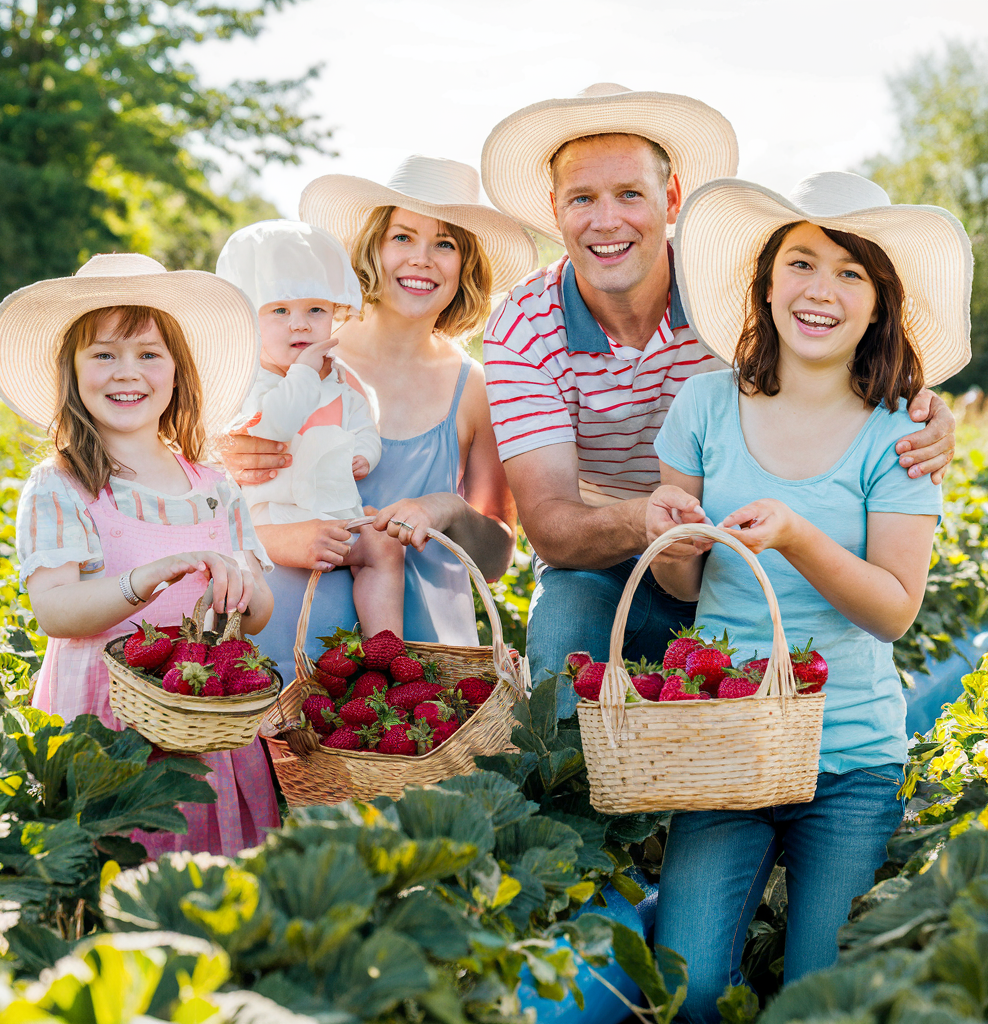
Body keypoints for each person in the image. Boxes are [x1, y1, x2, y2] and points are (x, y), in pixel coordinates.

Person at [479, 84, 959, 684]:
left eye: (630, 193)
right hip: (598, 557)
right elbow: (550, 526)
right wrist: (646, 521)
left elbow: (833, 359)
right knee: (566, 640)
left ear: (672, 197)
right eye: (582, 198)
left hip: (734, 549)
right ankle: (571, 775)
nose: (607, 221)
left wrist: (920, 403)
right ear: (555, 210)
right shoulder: (522, 328)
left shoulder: (731, 306)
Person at [646, 170, 972, 1019]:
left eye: (851, 272)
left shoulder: (899, 431)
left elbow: (895, 609)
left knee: (824, 1000)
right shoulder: (705, 405)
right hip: (727, 752)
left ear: (878, 305)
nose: (820, 290)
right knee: (687, 992)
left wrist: (798, 535)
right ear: (765, 285)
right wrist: (672, 534)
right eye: (800, 263)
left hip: (853, 758)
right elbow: (684, 583)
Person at [0, 253, 281, 859]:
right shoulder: (61, 484)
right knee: (112, 870)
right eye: (104, 354)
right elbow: (56, 611)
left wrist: (241, 590)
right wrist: (142, 580)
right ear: (73, 371)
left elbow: (257, 615)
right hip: (104, 720)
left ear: (177, 372)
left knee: (206, 879)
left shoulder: (215, 486)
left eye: (149, 353)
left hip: (201, 718)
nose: (129, 372)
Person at [222, 156, 535, 678]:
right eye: (403, 237)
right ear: (373, 249)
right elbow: (202, 471)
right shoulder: (296, 354)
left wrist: (447, 507)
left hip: (419, 659)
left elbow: (498, 558)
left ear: (465, 265)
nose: (422, 260)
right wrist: (225, 449)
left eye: (445, 244)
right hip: (282, 637)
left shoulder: (476, 386)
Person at [217, 220, 405, 639]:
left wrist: (365, 453)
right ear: (250, 318)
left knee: (383, 545)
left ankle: (388, 648)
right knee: (250, 546)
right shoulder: (247, 383)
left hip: (333, 510)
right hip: (270, 520)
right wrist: (303, 375)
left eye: (315, 310)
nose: (299, 324)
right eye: (280, 311)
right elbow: (273, 428)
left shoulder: (339, 383)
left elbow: (362, 424)